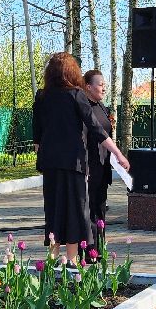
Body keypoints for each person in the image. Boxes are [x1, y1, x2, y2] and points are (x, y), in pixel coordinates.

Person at [32, 52, 131, 263]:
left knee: (54, 210)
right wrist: (119, 153)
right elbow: (96, 128)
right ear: (72, 72)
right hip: (74, 164)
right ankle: (72, 261)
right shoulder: (76, 95)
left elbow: (36, 138)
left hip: (50, 165)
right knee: (76, 210)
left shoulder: (41, 97)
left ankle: (52, 259)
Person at [83, 68, 114, 225]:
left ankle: (100, 247)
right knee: (89, 212)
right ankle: (87, 248)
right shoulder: (83, 108)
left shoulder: (101, 106)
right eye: (100, 84)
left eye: (105, 84)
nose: (104, 87)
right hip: (89, 167)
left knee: (100, 211)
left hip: (103, 166)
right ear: (88, 87)